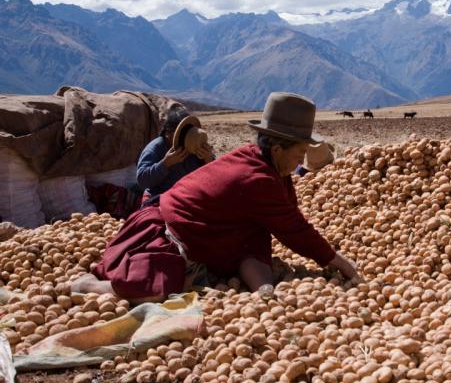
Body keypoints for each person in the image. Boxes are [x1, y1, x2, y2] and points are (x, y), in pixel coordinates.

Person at [65, 92, 358, 303]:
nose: (301, 159)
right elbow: (295, 230)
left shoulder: (264, 164)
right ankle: (92, 287)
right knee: (154, 287)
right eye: (298, 152)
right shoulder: (257, 177)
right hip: (165, 231)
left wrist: (266, 293)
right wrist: (343, 265)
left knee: (253, 235)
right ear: (278, 148)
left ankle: (264, 293)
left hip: (209, 234)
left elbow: (276, 225)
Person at [137, 107, 213, 207]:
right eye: (180, 134)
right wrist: (166, 163)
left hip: (189, 197)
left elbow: (214, 176)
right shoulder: (156, 148)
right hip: (160, 197)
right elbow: (142, 180)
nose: (184, 137)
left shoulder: (194, 144)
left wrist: (208, 159)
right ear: (168, 133)